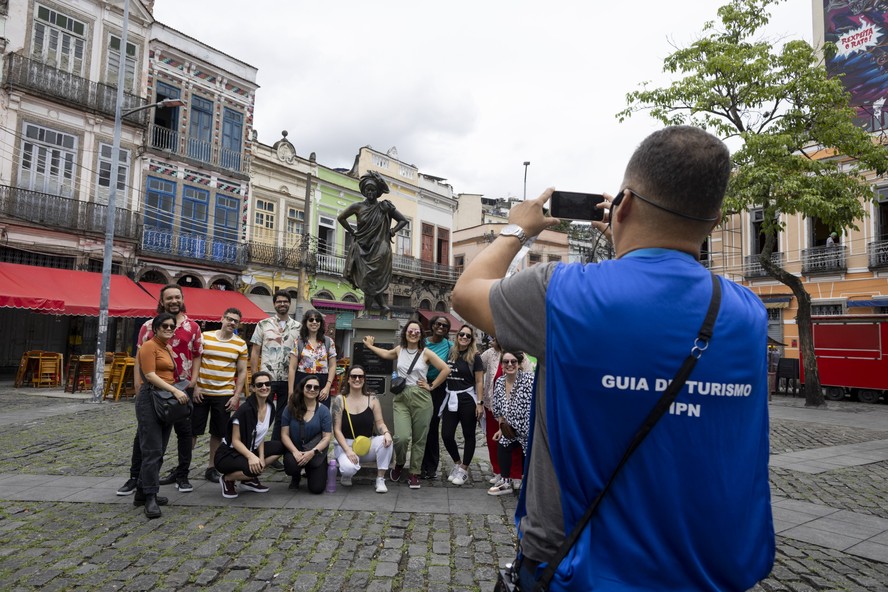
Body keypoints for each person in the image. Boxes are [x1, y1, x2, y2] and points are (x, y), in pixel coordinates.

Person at [452, 126, 774, 590]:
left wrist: (517, 228)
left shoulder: (562, 293)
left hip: (583, 572)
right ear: (716, 218)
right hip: (710, 573)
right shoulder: (747, 314)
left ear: (623, 205)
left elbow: (465, 293)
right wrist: (628, 235)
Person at [117, 284, 202, 496]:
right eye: (169, 298)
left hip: (182, 387)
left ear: (182, 299)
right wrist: (138, 383)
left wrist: (194, 380)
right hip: (154, 388)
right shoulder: (148, 326)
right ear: (162, 301)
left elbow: (198, 353)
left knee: (185, 432)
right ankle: (135, 477)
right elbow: (139, 356)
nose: (173, 301)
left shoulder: (193, 327)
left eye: (177, 297)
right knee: (144, 434)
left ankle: (182, 475)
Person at [362, 320, 450, 489]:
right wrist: (370, 346)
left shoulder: (426, 353)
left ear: (420, 335)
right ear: (405, 333)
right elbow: (386, 354)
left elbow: (445, 369)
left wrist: (431, 386)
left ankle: (414, 473)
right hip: (401, 397)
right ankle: (400, 463)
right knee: (401, 438)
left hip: (421, 398)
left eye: (417, 331)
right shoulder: (399, 349)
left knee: (419, 438)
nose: (413, 333)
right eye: (410, 330)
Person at [134, 313, 190, 518]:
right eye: (164, 326)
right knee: (152, 450)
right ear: (155, 328)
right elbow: (149, 375)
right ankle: (150, 496)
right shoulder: (149, 346)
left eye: (172, 326)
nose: (168, 329)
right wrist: (175, 391)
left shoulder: (167, 347)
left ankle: (142, 491)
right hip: (151, 399)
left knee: (159, 449)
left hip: (164, 400)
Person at [337, 171, 409, 315]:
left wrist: (392, 231)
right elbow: (341, 218)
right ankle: (383, 306)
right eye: (368, 190)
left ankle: (368, 310)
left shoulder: (384, 207)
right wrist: (352, 231)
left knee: (370, 277)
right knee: (369, 279)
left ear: (377, 192)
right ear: (364, 191)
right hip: (363, 247)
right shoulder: (357, 206)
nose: (370, 192)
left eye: (373, 190)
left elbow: (403, 220)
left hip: (380, 248)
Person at [192, 308, 248, 484]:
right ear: (221, 318)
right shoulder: (204, 337)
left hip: (224, 393)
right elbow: (196, 362)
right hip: (201, 392)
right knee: (191, 431)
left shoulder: (240, 344)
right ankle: (182, 466)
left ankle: (211, 467)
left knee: (218, 433)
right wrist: (194, 387)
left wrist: (236, 395)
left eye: (235, 321)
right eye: (229, 319)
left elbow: (242, 371)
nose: (232, 323)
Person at [215, 371, 285, 499]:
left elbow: (260, 436)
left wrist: (262, 458)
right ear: (253, 388)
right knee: (252, 468)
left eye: (267, 384)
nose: (264, 387)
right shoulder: (244, 410)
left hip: (250, 448)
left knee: (281, 447)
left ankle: (248, 480)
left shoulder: (270, 407)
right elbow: (235, 441)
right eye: (259, 385)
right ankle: (227, 479)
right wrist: (252, 457)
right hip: (228, 454)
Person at [250, 289, 301, 450]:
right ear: (274, 304)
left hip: (288, 379)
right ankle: (254, 446)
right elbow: (255, 351)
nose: (282, 304)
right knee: (262, 414)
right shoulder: (263, 325)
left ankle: (273, 449)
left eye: (285, 301)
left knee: (282, 416)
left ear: (290, 304)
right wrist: (255, 376)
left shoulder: (298, 327)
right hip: (267, 378)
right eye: (279, 301)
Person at [330, 364, 394, 493]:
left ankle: (380, 479)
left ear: (364, 379)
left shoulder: (373, 398)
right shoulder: (339, 400)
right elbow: (336, 430)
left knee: (386, 441)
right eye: (354, 376)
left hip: (366, 444)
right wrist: (348, 451)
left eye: (360, 376)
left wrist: (386, 432)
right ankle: (346, 475)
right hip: (345, 446)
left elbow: (380, 423)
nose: (357, 379)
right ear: (348, 379)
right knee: (348, 468)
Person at [441, 324, 483, 486]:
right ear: (457, 336)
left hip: (467, 399)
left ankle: (464, 469)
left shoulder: (475, 357)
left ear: (472, 339)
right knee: (446, 434)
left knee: (468, 435)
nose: (464, 338)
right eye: (462, 335)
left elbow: (479, 381)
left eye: (468, 336)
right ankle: (457, 463)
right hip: (450, 397)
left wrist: (479, 403)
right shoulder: (451, 353)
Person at [487, 350, 533, 496]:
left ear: (519, 364)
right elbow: (499, 410)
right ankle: (506, 482)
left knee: (529, 455)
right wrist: (501, 428)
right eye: (506, 362)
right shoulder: (500, 382)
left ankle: (529, 484)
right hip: (510, 429)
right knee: (502, 444)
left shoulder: (529, 380)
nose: (510, 364)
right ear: (502, 365)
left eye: (513, 361)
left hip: (528, 429)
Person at [480, 336, 524, 487]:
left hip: (515, 410)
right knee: (494, 441)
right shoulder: (490, 354)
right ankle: (498, 472)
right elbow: (477, 369)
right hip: (492, 405)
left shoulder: (519, 354)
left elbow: (529, 374)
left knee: (514, 441)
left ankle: (515, 474)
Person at [281, 375, 332, 494]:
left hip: (314, 452)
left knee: (317, 489)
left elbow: (327, 437)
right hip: (295, 451)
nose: (312, 389)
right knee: (291, 466)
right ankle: (296, 475)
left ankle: (311, 469)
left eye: (316, 387)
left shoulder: (323, 411)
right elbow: (284, 435)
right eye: (309, 386)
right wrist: (295, 452)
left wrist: (312, 452)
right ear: (302, 388)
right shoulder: (290, 408)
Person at [420, 314, 452, 480]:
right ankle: (418, 463)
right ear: (432, 326)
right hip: (420, 385)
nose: (441, 327)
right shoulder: (423, 343)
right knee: (419, 426)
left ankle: (431, 466)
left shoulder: (449, 346)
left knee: (432, 425)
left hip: (438, 388)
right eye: (438, 324)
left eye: (445, 326)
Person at [287, 309, 337, 413]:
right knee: (300, 412)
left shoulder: (328, 342)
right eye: (311, 319)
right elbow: (292, 368)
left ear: (321, 323)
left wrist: (328, 386)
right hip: (302, 379)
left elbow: (332, 366)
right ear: (306, 322)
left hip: (322, 381)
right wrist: (291, 391)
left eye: (317, 320)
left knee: (321, 413)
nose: (314, 322)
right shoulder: (299, 342)